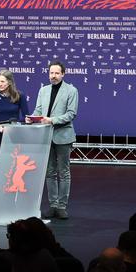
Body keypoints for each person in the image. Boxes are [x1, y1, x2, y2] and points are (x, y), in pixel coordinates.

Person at [32, 60, 79, 220]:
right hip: (46, 136)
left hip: (63, 136)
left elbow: (71, 114)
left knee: (63, 172)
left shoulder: (71, 90)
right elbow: (38, 110)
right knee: (50, 172)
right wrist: (33, 118)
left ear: (63, 74)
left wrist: (51, 120)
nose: (53, 76)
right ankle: (53, 205)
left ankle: (62, 206)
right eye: (51, 73)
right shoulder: (43, 90)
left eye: (57, 73)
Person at [0, 70, 30, 154]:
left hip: (14, 134)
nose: (0, 84)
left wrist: (14, 124)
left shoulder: (20, 95)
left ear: (9, 82)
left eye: (2, 81)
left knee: (13, 163)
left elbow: (26, 117)